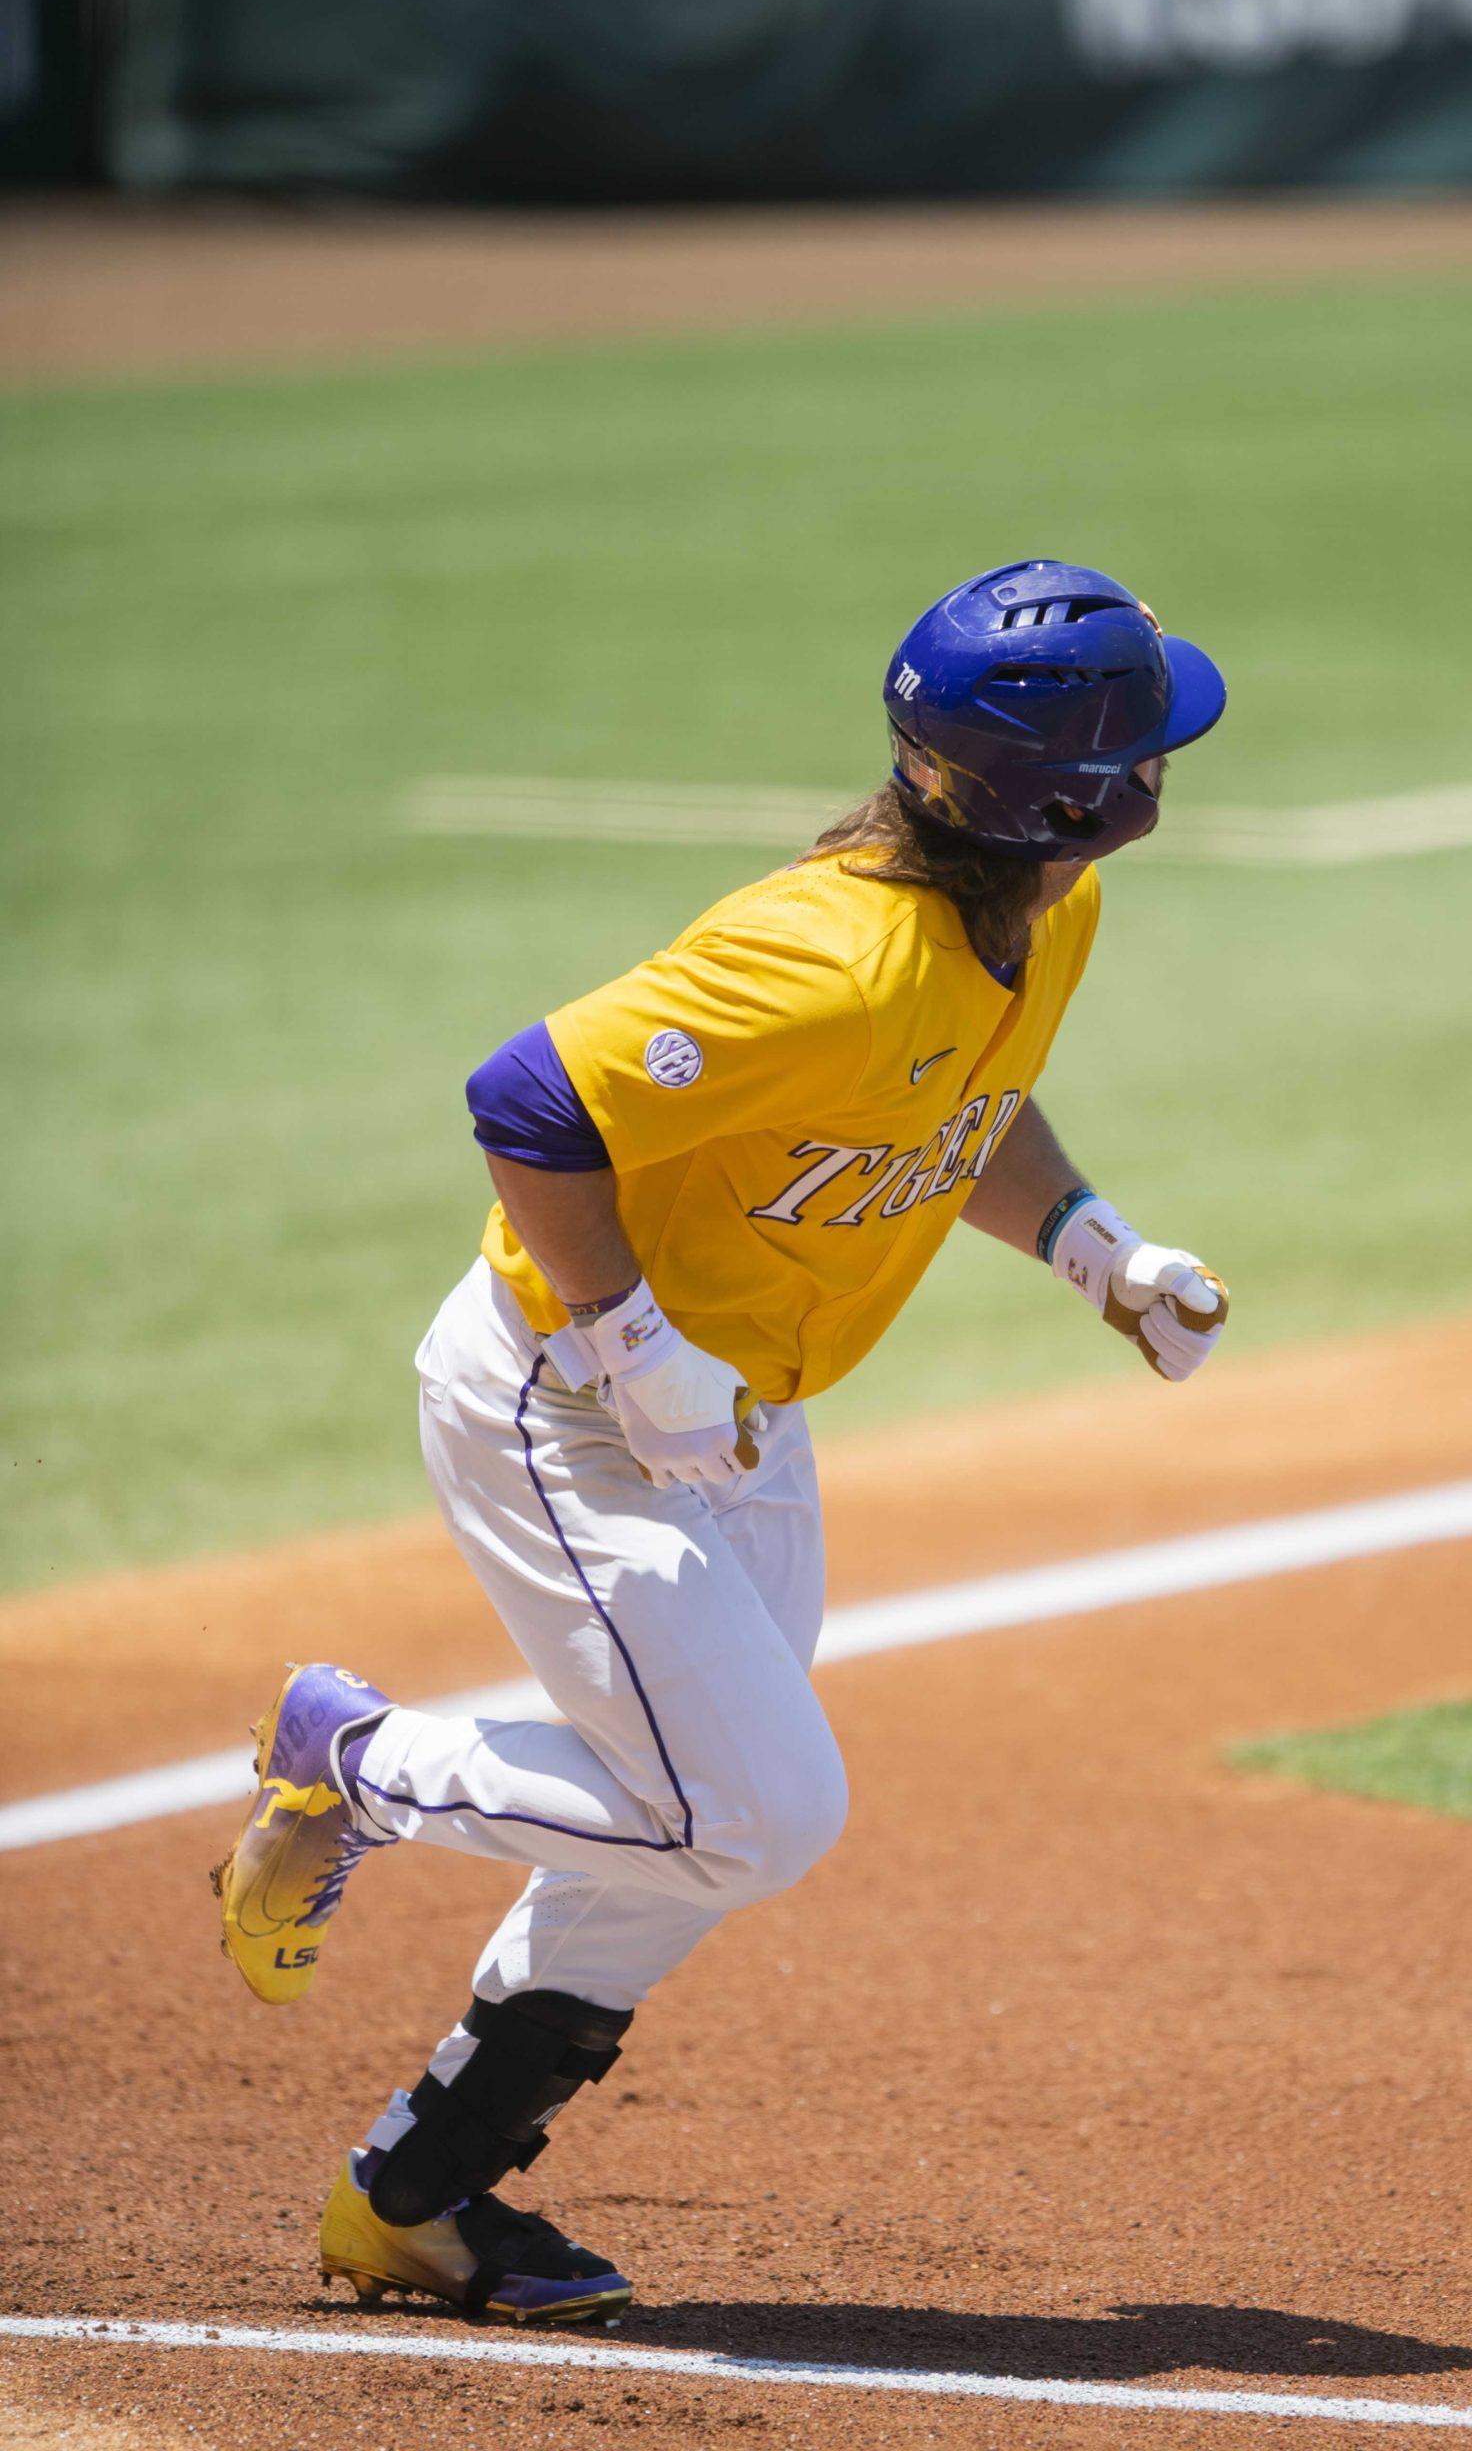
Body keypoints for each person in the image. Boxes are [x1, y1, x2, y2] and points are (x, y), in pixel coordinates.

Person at [212, 560, 1231, 2324]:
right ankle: (354, 1756)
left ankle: (416, 2202)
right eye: (1145, 743)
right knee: (747, 1815)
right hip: (571, 1403)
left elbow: (956, 1101)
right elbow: (527, 1102)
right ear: (1076, 792)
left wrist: (1093, 1247)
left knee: (680, 1827)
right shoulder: (824, 953)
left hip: (737, 1418)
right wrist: (634, 1345)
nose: (1167, 762)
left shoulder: (1039, 911)